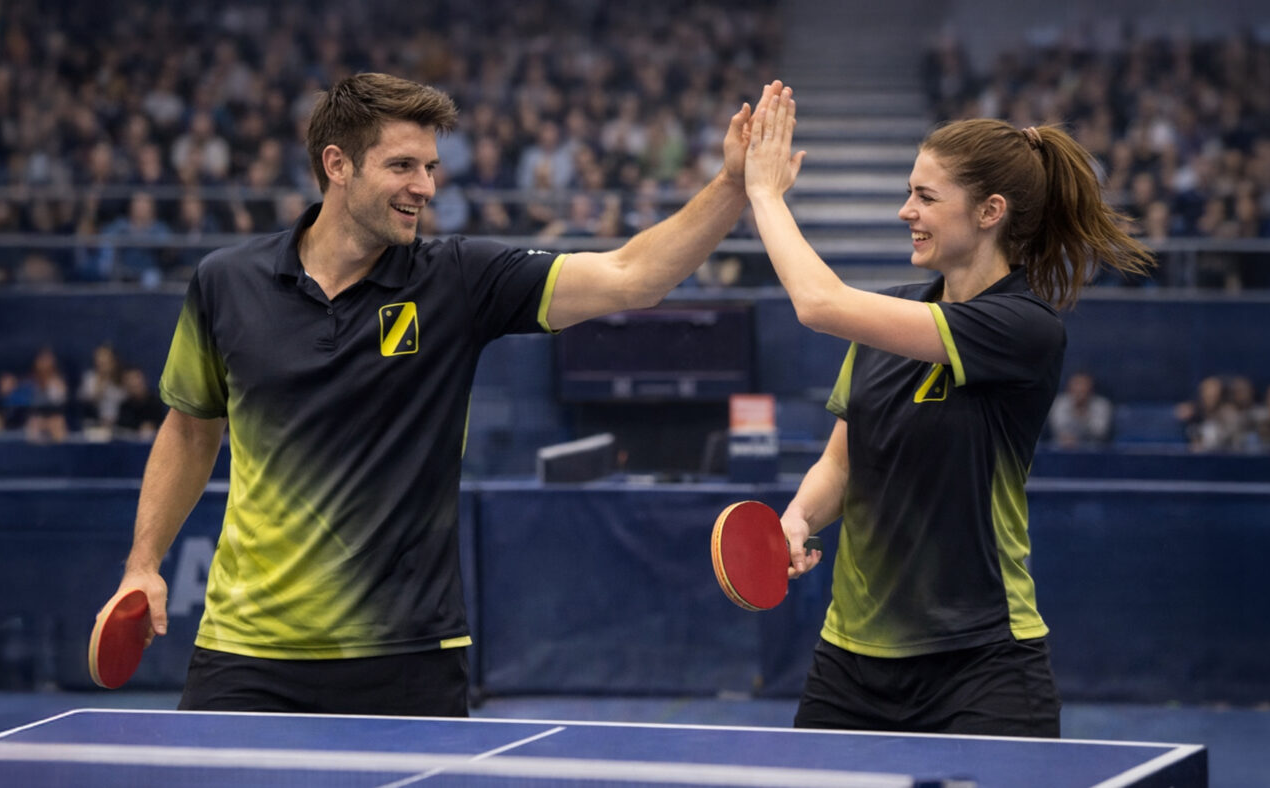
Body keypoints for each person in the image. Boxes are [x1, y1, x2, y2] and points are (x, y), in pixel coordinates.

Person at [97, 73, 780, 717]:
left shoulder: (458, 279)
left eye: (430, 167)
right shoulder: (225, 283)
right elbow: (190, 429)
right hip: (245, 651)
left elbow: (633, 277)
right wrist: (142, 564)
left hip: (408, 655)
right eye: (402, 166)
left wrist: (730, 184)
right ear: (338, 165)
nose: (425, 186)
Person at [742, 91, 1154, 737]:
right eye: (909, 193)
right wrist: (797, 519)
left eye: (926, 197)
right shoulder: (887, 319)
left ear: (991, 211)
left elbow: (818, 303)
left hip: (983, 662)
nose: (906, 210)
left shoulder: (1023, 328)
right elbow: (841, 465)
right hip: (850, 660)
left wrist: (764, 194)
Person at [1047, 371, 1113, 448]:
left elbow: (1100, 431)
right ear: (1069, 388)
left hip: (1092, 448)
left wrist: (1082, 413)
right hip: (1063, 447)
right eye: (1077, 386)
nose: (1080, 391)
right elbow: (1058, 428)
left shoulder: (1102, 405)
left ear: (1091, 389)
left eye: (1083, 388)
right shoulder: (1059, 403)